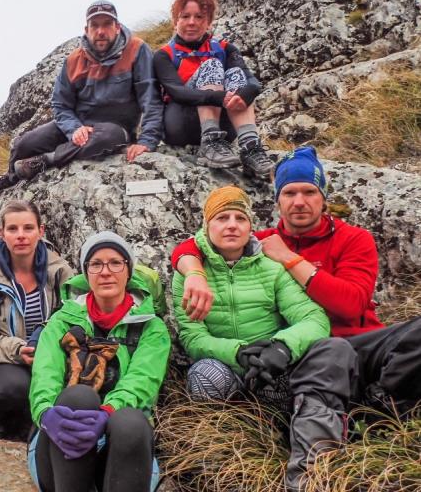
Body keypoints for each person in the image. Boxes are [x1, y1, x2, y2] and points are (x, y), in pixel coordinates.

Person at [171, 146, 421, 412]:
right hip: (299, 357)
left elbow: (351, 305)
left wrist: (290, 259)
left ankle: (382, 406)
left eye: (309, 191)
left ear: (323, 198)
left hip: (355, 345)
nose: (299, 201)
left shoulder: (353, 239)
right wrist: (193, 271)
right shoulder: (260, 242)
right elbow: (198, 244)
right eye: (289, 193)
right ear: (277, 201)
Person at [172, 186, 356, 491]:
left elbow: (313, 319)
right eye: (221, 218)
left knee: (313, 362)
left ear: (250, 226)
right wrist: (239, 351)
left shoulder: (273, 268)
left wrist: (281, 347)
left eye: (240, 218)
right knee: (204, 375)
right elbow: (192, 336)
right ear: (207, 226)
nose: (232, 224)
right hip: (228, 368)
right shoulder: (190, 272)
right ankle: (226, 452)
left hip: (272, 368)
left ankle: (296, 448)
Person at [28, 231, 170, 492]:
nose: (106, 271)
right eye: (96, 264)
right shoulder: (62, 322)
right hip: (59, 450)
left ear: (128, 271)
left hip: (123, 454)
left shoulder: (152, 328)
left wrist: (106, 414)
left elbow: (142, 383)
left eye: (116, 262)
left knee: (130, 420)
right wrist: (46, 413)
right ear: (86, 272)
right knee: (78, 398)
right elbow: (44, 374)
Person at [0, 0, 163, 196]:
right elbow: (60, 104)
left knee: (107, 138)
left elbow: (151, 98)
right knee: (24, 143)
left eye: (107, 24)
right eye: (95, 25)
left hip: (115, 129)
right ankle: (11, 178)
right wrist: (74, 128)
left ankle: (46, 160)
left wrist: (147, 140)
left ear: (117, 27)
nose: (101, 31)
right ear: (87, 29)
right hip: (77, 124)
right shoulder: (74, 60)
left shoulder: (137, 50)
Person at [0, 200, 74, 439]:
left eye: (28, 228)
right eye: (12, 229)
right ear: (2, 233)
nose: (21, 236)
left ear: (41, 231)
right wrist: (18, 350)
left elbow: (72, 316)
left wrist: (48, 350)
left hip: (47, 353)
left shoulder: (59, 271)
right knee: (16, 387)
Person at [153, 0, 274, 177]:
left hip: (225, 127)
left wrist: (245, 93)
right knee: (212, 66)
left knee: (235, 74)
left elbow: (252, 81)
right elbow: (176, 91)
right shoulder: (163, 55)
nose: (191, 22)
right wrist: (220, 97)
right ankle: (209, 142)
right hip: (180, 125)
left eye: (199, 17)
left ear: (209, 22)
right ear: (176, 21)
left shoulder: (226, 48)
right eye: (185, 16)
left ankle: (250, 147)